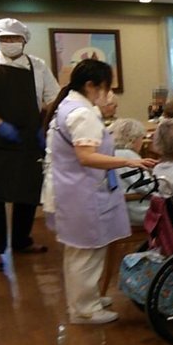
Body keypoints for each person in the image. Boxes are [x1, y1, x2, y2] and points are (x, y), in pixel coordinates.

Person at [42, 59, 157, 324]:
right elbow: (86, 157)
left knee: (80, 251)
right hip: (82, 191)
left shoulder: (69, 106)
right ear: (90, 85)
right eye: (106, 87)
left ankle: (85, 299)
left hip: (74, 188)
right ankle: (85, 309)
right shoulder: (81, 113)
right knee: (86, 251)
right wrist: (127, 161)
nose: (108, 93)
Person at [0, 18, 61, 272]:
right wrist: (0, 125)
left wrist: (43, 126)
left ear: (24, 40)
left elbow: (53, 99)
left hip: (29, 138)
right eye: (4, 38)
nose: (9, 42)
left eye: (14, 38)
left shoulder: (37, 65)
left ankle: (22, 240)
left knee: (28, 192)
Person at [109, 118, 151, 226]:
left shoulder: (109, 154)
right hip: (136, 210)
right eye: (141, 138)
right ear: (133, 140)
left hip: (117, 210)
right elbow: (146, 187)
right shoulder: (128, 156)